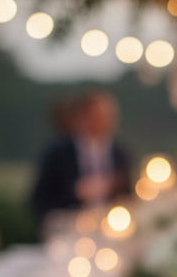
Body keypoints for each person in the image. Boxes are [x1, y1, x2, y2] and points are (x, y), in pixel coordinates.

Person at [29, 89, 132, 232]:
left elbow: (129, 194)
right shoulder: (58, 152)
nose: (102, 122)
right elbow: (39, 200)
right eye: (96, 117)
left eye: (107, 116)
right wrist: (75, 193)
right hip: (68, 227)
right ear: (81, 118)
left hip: (110, 228)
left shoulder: (119, 152)